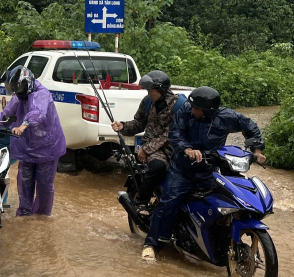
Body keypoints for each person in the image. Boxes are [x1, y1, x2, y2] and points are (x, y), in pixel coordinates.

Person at [142, 86, 266, 261]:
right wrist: (187, 148)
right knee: (169, 201)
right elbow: (175, 133)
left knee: (223, 204)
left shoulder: (226, 116)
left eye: (196, 108)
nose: (192, 110)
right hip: (183, 168)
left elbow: (250, 125)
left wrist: (257, 150)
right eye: (192, 107)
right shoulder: (185, 111)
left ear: (208, 110)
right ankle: (151, 244)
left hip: (209, 169)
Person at [0, 66, 66, 216]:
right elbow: (7, 114)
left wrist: (23, 125)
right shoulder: (19, 96)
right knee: (24, 181)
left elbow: (37, 113)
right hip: (27, 148)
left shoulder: (41, 93)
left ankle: (42, 217)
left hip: (47, 148)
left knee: (44, 186)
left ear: (27, 84)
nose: (17, 92)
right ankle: (25, 214)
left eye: (18, 89)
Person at [111, 70, 177, 216]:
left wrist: (146, 149)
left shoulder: (178, 105)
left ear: (161, 90)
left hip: (173, 148)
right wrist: (123, 126)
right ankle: (141, 202)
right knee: (158, 167)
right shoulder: (148, 101)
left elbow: (171, 133)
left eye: (151, 90)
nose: (148, 93)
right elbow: (139, 123)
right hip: (154, 151)